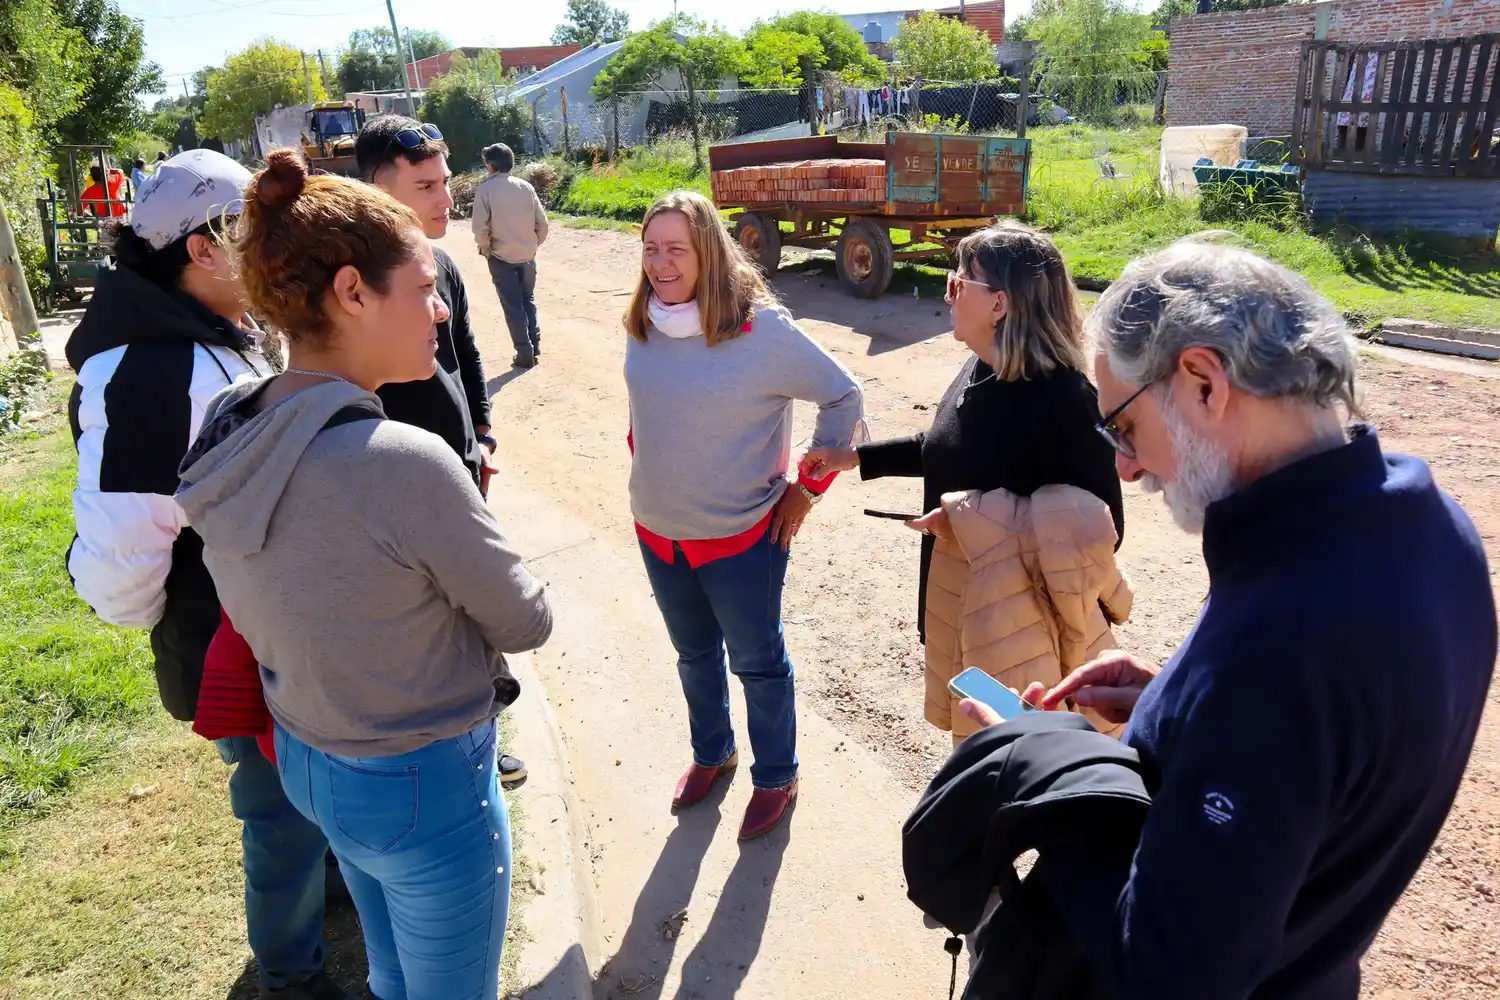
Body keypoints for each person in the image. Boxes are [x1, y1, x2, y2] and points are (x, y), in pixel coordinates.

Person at [969, 241, 1497, 999]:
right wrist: (1174, 700)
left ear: (1204, 383)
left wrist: (1038, 774)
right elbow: (1327, 754)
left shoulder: (1273, 658)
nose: (1125, 466)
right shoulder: (1432, 530)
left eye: (1121, 426)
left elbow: (1168, 975)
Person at [177, 150, 554, 1000]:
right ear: (352, 292)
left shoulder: (235, 426)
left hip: (311, 761)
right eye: (424, 285)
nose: (443, 306)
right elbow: (525, 621)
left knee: (391, 975)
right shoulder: (400, 463)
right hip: (422, 782)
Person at [67, 149, 349, 1000]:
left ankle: (325, 898)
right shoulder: (153, 371)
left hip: (265, 623)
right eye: (257, 236)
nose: (279, 255)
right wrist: (185, 629)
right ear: (199, 251)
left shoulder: (212, 334)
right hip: (230, 635)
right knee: (275, 814)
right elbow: (127, 545)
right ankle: (291, 970)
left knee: (305, 800)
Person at [802, 222, 1124, 745]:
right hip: (964, 603)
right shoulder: (980, 368)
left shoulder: (1065, 401)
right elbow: (945, 447)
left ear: (999, 305)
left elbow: (1100, 531)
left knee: (1016, 756)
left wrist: (970, 518)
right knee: (977, 746)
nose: (948, 293)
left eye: (958, 283)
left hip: (1019, 634)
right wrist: (854, 457)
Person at [626, 190, 866, 840]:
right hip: (658, 531)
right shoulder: (645, 321)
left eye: (676, 249)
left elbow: (845, 395)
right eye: (651, 249)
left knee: (757, 663)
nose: (660, 263)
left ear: (708, 251)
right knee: (692, 655)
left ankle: (776, 775)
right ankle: (713, 752)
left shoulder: (763, 331)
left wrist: (807, 488)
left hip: (739, 539)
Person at [471, 142, 547, 369]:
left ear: (491, 166)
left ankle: (525, 353)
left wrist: (486, 250)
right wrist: (532, 245)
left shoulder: (485, 190)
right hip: (527, 256)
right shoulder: (525, 187)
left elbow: (479, 228)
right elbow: (542, 224)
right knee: (528, 300)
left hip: (501, 258)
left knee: (512, 305)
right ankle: (534, 343)